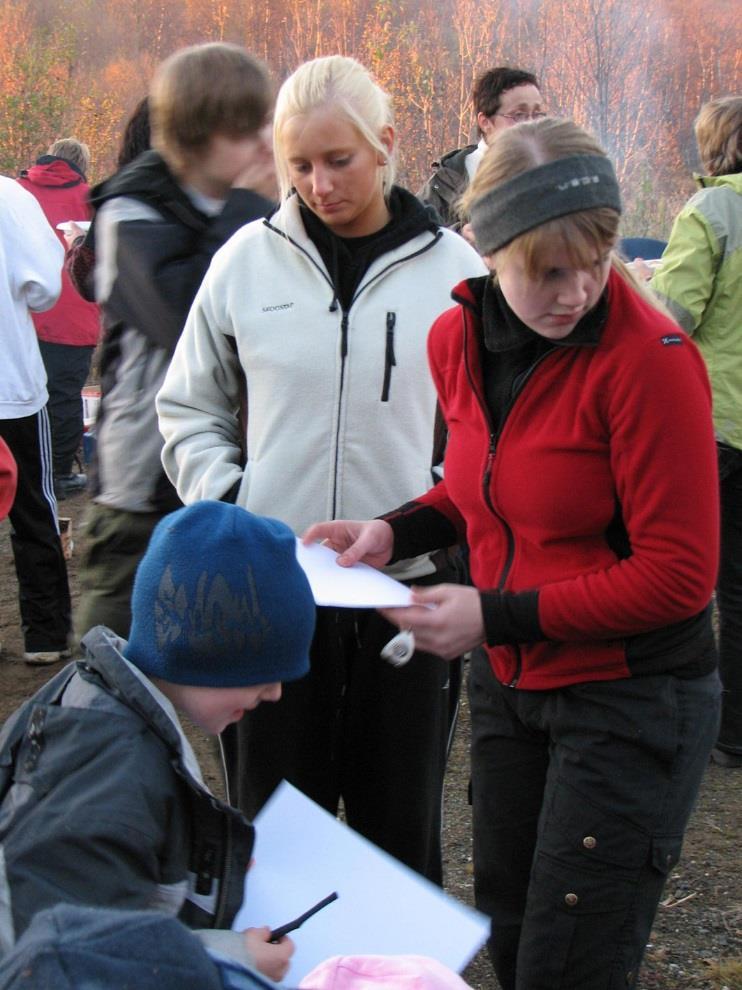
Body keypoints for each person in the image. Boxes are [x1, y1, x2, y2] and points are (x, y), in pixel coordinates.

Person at [303, 117, 721, 989]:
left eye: (598, 259)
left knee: (570, 960)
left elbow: (680, 578)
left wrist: (491, 614)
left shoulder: (654, 361)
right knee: (510, 923)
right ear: (487, 253)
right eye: (547, 271)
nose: (578, 290)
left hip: (630, 695)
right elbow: (482, 482)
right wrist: (394, 529)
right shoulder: (455, 340)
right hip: (513, 687)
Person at [156, 55, 486, 883]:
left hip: (404, 595)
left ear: (385, 144)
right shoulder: (244, 263)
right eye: (298, 163)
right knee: (272, 830)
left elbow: (493, 431)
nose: (318, 183)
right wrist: (236, 503)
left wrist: (445, 522)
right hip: (271, 594)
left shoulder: (459, 275)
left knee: (398, 831)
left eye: (338, 159)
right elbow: (188, 407)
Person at [0, 500, 314, 982]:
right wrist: (233, 958)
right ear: (206, 653)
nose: (274, 693)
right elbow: (69, 962)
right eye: (264, 673)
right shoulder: (112, 774)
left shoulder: (107, 711)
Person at [74, 42, 277, 642]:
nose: (268, 142)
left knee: (234, 659)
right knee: (114, 653)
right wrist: (251, 204)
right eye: (251, 129)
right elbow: (189, 313)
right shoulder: (129, 209)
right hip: (141, 480)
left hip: (232, 469)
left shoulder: (255, 208)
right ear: (204, 133)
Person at [648, 95, 742, 769]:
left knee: (697, 581)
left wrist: (639, 280)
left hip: (720, 426)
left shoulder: (713, 212)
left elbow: (672, 317)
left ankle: (721, 728)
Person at [0, 177, 71, 665]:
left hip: (13, 385)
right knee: (32, 507)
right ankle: (44, 634)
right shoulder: (9, 198)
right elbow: (44, 287)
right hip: (10, 384)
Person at [17, 138, 100, 499]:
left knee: (20, 393)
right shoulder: (94, 200)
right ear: (82, 164)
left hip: (22, 312)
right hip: (73, 313)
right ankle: (59, 473)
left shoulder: (17, 193)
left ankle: (17, 469)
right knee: (64, 396)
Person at [417, 67, 544, 228]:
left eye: (537, 114)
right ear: (485, 122)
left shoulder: (557, 176)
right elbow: (410, 244)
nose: (531, 123)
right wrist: (459, 237)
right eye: (519, 115)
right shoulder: (446, 184)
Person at [65, 97, 152, 303]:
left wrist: (77, 241)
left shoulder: (120, 196)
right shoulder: (219, 198)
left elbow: (88, 277)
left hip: (135, 326)